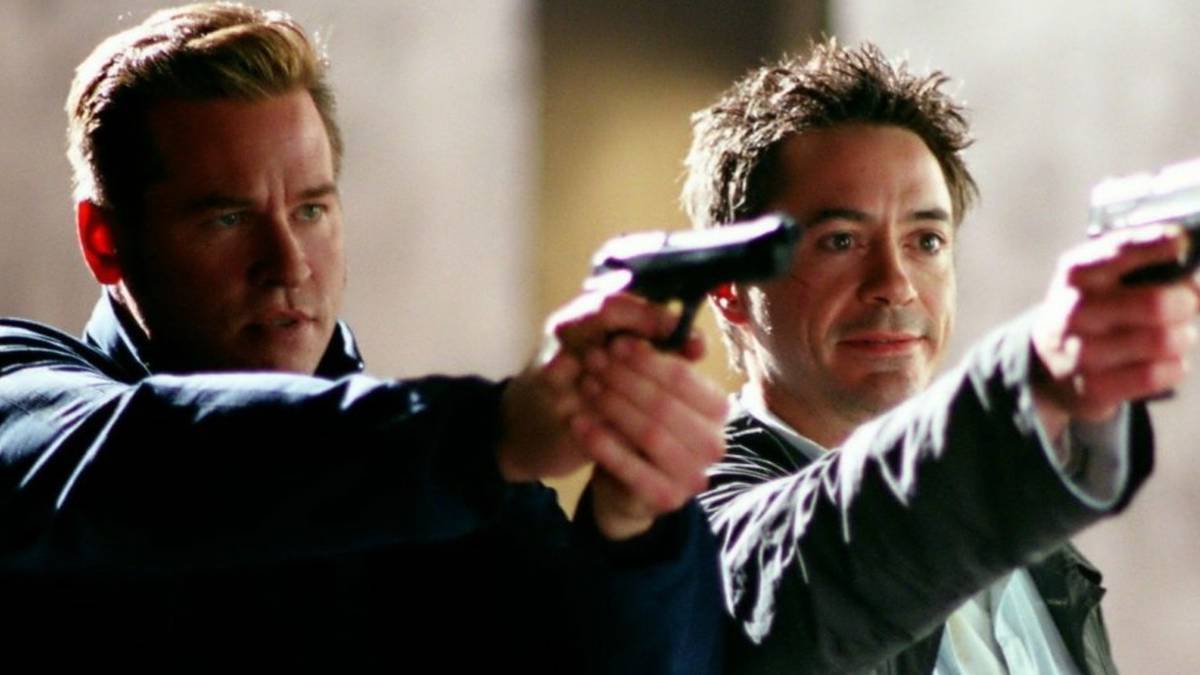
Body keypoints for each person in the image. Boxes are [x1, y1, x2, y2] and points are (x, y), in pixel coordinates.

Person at [0, 3, 728, 671]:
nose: (288, 264)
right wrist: (489, 435)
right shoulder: (33, 400)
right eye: (226, 219)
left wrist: (634, 524)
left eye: (311, 210)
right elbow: (159, 462)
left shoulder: (443, 484)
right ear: (105, 241)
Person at [681, 39, 1199, 674]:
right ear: (731, 286)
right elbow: (794, 585)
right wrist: (1031, 384)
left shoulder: (1021, 533)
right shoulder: (684, 524)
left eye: (926, 240)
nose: (894, 283)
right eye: (840, 241)